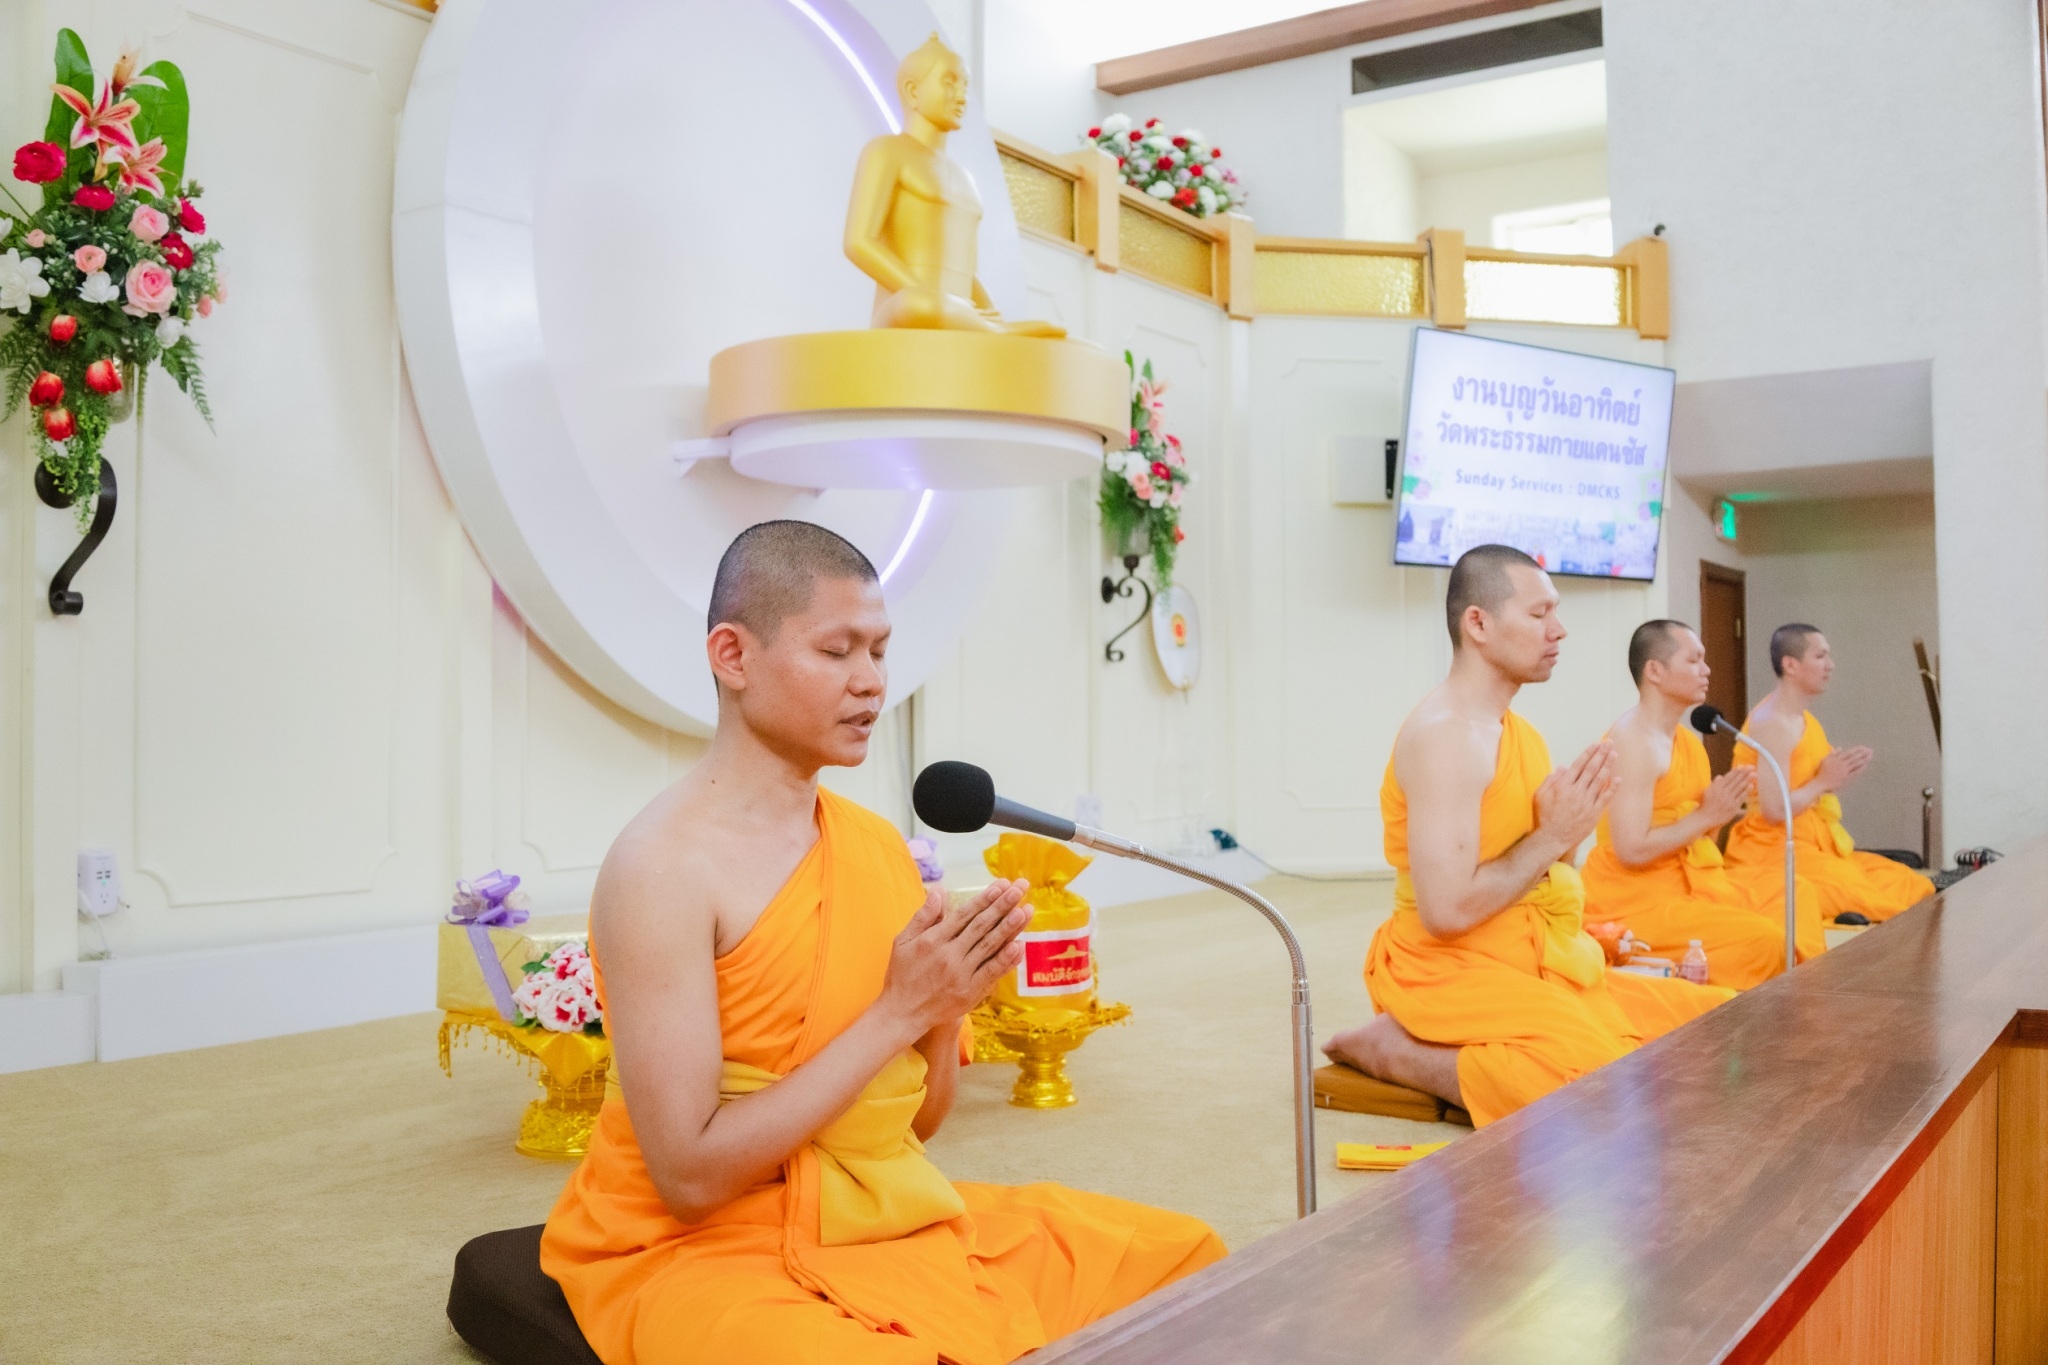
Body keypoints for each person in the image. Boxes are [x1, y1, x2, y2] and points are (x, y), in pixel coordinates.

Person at [541, 521, 1223, 1365]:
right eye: (837, 651)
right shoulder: (662, 868)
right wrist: (900, 1011)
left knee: (1191, 1265)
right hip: (701, 1248)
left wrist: (946, 1007)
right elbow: (691, 1177)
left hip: (877, 1216)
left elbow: (915, 1125)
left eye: (879, 651)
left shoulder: (873, 848)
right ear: (733, 654)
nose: (870, 681)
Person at [1322, 546, 1732, 1127]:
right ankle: (1397, 1052)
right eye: (1540, 614)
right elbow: (1446, 911)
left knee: (1715, 1023)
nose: (1558, 630)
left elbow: (1543, 868)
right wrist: (1553, 835)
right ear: (1479, 624)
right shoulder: (1445, 737)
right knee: (1601, 1091)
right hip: (1446, 964)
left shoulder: (1523, 735)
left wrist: (1568, 831)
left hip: (1526, 949)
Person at [1580, 621, 1826, 987]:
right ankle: (1767, 1008)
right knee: (1762, 941)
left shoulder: (1688, 743)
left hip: (1693, 883)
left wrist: (1718, 815)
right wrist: (1706, 816)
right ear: (1655, 671)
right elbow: (1630, 848)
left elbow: (1698, 841)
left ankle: (1807, 996)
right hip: (1638, 897)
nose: (1706, 670)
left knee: (1795, 893)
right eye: (1694, 660)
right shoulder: (1633, 741)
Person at [1722, 624, 1935, 923]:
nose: (1830, 665)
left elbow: (1810, 784)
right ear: (1791, 665)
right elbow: (1774, 810)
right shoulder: (1773, 722)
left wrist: (1836, 774)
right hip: (1774, 850)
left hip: (1814, 845)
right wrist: (1823, 782)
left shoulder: (1804, 720)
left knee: (1910, 883)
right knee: (1877, 901)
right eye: (1820, 656)